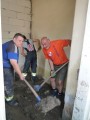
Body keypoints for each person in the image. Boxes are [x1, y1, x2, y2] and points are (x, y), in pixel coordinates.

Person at [2, 33, 25, 106]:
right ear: (14, 39)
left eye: (22, 41)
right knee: (9, 83)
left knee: (5, 82)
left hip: (3, 65)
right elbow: (14, 63)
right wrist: (20, 75)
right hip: (5, 67)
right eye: (19, 40)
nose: (21, 43)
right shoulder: (13, 46)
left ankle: (5, 95)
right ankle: (10, 100)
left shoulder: (9, 43)